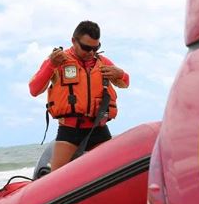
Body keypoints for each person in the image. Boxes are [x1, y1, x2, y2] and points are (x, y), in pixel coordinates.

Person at [29, 20, 129, 171]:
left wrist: (121, 74)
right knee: (58, 179)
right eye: (86, 47)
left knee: (115, 172)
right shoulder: (58, 61)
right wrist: (51, 65)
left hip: (98, 129)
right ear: (74, 41)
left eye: (96, 48)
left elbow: (125, 83)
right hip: (70, 131)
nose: (91, 53)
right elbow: (34, 89)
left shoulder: (103, 62)